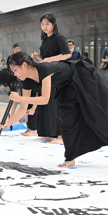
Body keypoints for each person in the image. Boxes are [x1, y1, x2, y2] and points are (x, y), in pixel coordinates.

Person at [0, 52, 108, 168]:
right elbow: (23, 108)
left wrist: (20, 98)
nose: (15, 74)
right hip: (66, 88)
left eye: (16, 70)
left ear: (24, 65)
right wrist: (6, 124)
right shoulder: (27, 82)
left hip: (82, 77)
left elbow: (44, 99)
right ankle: (70, 158)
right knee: (67, 121)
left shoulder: (43, 69)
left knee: (107, 108)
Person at [29, 13, 71, 144]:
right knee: (46, 104)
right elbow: (47, 56)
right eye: (42, 24)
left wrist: (48, 59)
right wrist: (39, 56)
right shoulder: (45, 40)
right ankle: (48, 133)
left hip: (58, 74)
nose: (45, 27)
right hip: (47, 74)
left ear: (54, 24)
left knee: (56, 105)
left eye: (47, 24)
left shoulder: (59, 38)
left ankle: (61, 136)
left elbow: (67, 55)